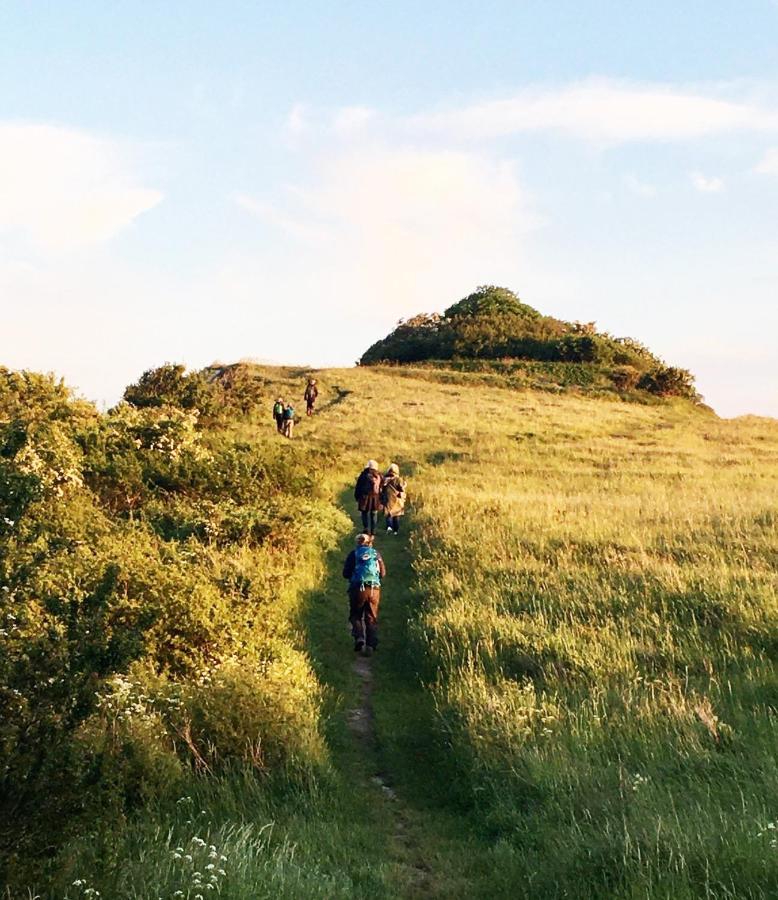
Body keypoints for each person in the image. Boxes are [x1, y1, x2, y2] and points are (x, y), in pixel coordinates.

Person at [342, 533, 386, 654]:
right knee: (371, 617)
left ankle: (359, 637)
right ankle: (371, 645)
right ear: (369, 543)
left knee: (355, 615)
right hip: (374, 589)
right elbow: (382, 574)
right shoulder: (376, 554)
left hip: (357, 588)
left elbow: (345, 574)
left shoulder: (353, 554)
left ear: (358, 542)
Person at [354, 460, 382, 535]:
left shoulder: (364, 475)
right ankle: (373, 530)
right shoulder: (379, 475)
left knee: (364, 513)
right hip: (375, 498)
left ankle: (366, 528)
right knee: (374, 513)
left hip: (365, 497)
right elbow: (381, 487)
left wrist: (357, 496)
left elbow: (358, 486)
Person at [381, 463, 407, 534]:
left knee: (388, 514)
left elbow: (382, 489)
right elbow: (401, 489)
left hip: (387, 499)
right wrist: (404, 486)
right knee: (396, 515)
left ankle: (389, 527)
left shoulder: (385, 479)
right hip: (397, 499)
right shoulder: (398, 479)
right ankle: (396, 531)